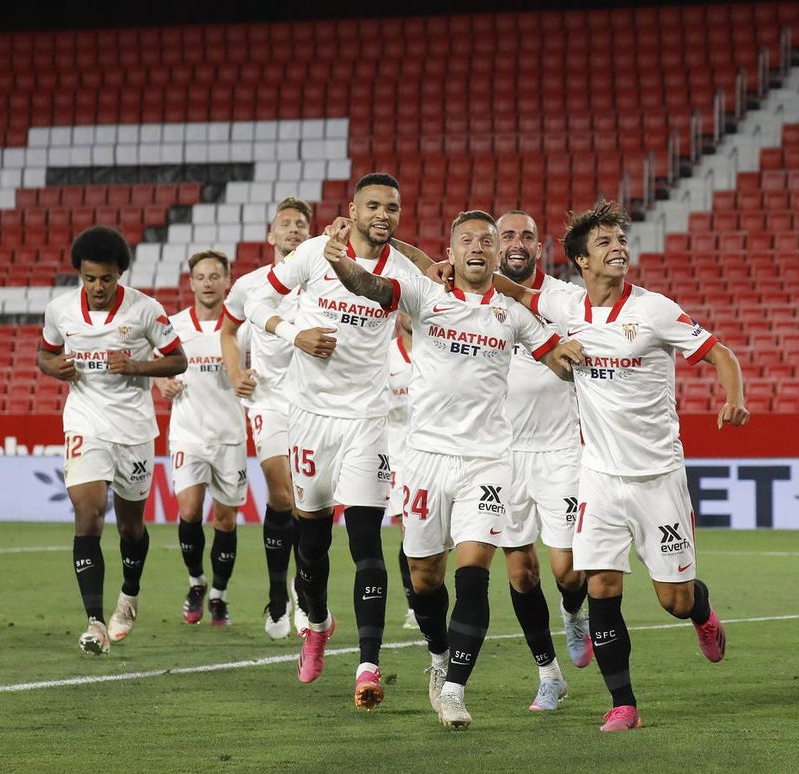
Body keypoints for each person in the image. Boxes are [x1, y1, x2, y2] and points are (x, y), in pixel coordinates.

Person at [483, 200, 748, 732]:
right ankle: (623, 703)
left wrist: (733, 398)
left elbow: (720, 353)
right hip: (599, 478)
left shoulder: (654, 310)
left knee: (673, 598)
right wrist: (432, 264)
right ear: (581, 261)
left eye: (621, 240)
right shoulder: (568, 309)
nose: (618, 248)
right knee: (599, 587)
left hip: (658, 478)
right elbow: (508, 290)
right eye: (604, 243)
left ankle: (700, 613)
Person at [323, 210, 578, 728]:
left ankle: (457, 688)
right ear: (452, 252)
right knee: (423, 579)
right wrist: (340, 260)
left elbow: (556, 359)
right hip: (422, 460)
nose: (479, 247)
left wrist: (580, 355)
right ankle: (438, 656)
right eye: (468, 240)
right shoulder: (424, 294)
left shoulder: (512, 315)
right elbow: (371, 285)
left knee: (474, 575)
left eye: (487, 240)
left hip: (486, 461)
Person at [243, 173, 428, 710]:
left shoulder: (401, 272)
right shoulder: (312, 255)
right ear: (352, 207)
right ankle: (318, 624)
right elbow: (257, 304)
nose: (383, 214)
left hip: (368, 422)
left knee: (366, 542)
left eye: (392, 207)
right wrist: (292, 333)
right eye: (373, 205)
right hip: (309, 419)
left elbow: (440, 285)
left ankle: (368, 666)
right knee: (313, 545)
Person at [38, 225, 187, 655]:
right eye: (90, 278)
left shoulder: (146, 310)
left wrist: (136, 367)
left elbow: (179, 359)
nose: (98, 287)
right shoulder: (60, 310)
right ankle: (94, 622)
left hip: (135, 431)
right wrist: (54, 368)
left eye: (106, 278)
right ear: (79, 274)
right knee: (88, 513)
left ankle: (130, 593)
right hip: (85, 422)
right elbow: (44, 353)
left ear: (120, 273)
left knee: (130, 527)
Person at [494, 210, 593, 712]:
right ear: (493, 243)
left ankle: (575, 613)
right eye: (507, 234)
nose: (517, 242)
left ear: (540, 247)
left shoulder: (564, 298)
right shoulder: (476, 300)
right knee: (521, 574)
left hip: (561, 452)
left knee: (569, 569)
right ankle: (548, 675)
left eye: (526, 236)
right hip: (502, 456)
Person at [221, 196, 313, 639]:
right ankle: (282, 592)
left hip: (317, 407)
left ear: (309, 235)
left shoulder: (324, 281)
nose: (293, 229)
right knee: (283, 495)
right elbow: (226, 330)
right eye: (286, 224)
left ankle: (298, 589)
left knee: (310, 503)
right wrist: (235, 371)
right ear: (271, 235)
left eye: (301, 224)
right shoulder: (250, 285)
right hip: (270, 403)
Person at [158, 250, 247, 627]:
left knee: (225, 521)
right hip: (188, 435)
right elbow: (158, 366)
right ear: (191, 282)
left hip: (229, 436)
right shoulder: (174, 326)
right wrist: (162, 381)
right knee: (190, 511)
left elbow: (257, 368)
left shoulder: (242, 328)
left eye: (215, 276)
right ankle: (196, 582)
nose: (208, 283)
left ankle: (218, 596)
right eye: (201, 276)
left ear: (227, 280)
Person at [385, 315, 418, 630]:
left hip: (435, 454)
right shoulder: (386, 355)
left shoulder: (436, 350)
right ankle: (414, 606)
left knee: (436, 538)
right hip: (399, 458)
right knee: (410, 532)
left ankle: (426, 594)